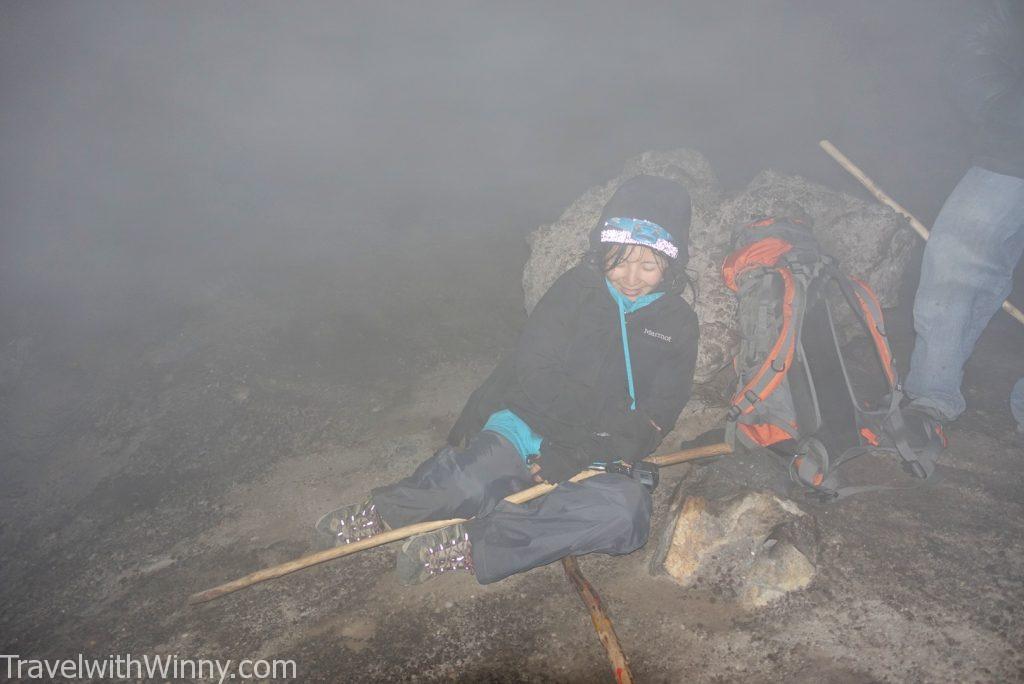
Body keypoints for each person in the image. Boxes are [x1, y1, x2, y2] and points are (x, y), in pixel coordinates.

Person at [315, 175, 699, 585]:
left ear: (670, 265)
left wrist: (584, 451)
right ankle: (384, 513)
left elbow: (659, 412)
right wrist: (561, 443)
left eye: (648, 264)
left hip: (597, 453)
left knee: (624, 515)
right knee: (469, 478)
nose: (631, 277)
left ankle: (473, 544)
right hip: (531, 426)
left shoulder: (678, 324)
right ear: (602, 250)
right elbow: (535, 370)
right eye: (620, 259)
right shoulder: (575, 291)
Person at [904, 0, 1024, 440]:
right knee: (954, 256)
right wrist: (1009, 112)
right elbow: (972, 54)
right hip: (1013, 153)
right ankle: (932, 395)